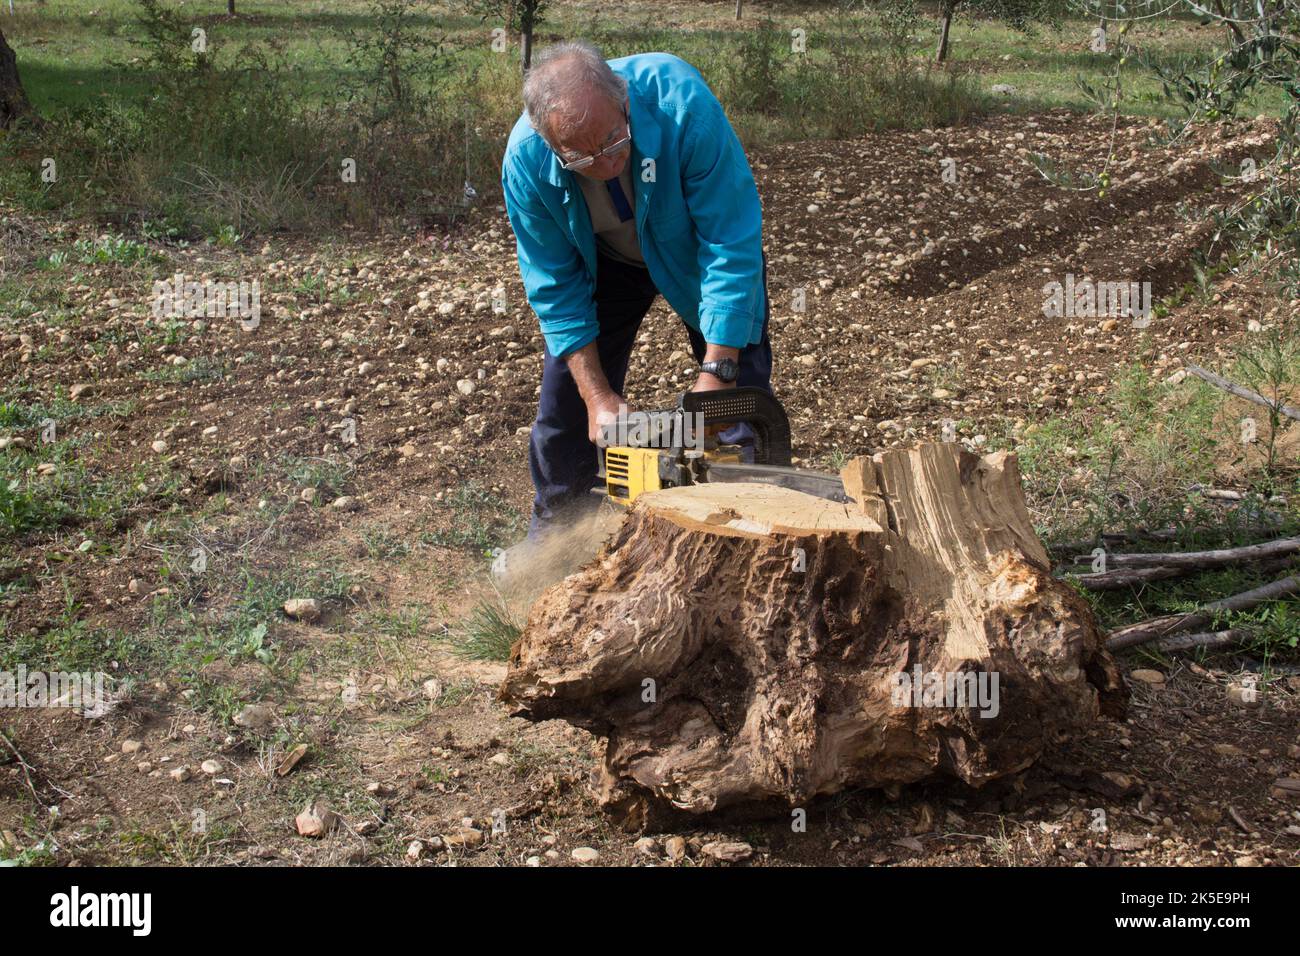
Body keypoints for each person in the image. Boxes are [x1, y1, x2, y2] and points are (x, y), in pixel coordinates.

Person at [495, 41, 774, 584]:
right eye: (581, 157)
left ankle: (752, 540)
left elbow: (730, 240)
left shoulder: (681, 103)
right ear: (551, 144)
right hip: (604, 261)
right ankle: (556, 543)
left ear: (622, 98)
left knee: (740, 398)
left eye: (613, 141)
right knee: (566, 410)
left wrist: (716, 375)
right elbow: (554, 287)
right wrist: (599, 399)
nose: (605, 163)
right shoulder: (525, 162)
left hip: (695, 249)